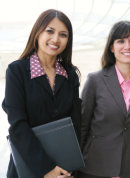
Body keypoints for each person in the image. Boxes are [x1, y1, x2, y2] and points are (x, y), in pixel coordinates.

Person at [2, 9, 81, 178]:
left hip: (64, 170)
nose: (55, 39)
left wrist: (69, 167)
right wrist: (47, 169)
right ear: (37, 32)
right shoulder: (17, 71)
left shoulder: (70, 75)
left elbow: (75, 124)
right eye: (50, 31)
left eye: (63, 34)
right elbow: (17, 125)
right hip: (28, 167)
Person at [79, 21, 130, 178]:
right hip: (93, 170)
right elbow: (82, 128)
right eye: (121, 41)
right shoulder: (95, 81)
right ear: (112, 47)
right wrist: (72, 169)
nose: (127, 46)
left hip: (129, 172)